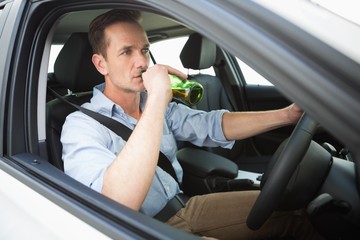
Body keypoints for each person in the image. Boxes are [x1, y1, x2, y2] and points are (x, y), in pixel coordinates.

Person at [61, 9, 324, 240]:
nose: (141, 62)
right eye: (126, 52)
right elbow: (116, 203)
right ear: (101, 63)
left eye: (144, 50)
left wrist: (287, 115)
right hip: (142, 229)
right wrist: (157, 100)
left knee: (296, 211)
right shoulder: (81, 126)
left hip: (184, 207)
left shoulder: (151, 103)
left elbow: (212, 125)